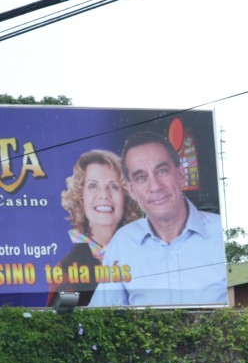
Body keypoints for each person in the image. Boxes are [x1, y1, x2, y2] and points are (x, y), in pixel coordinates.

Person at [89, 131, 227, 307]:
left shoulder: (222, 233)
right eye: (141, 177)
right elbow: (103, 317)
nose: (155, 186)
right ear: (131, 190)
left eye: (161, 171)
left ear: (181, 175)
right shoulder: (122, 244)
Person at [46, 150, 142, 307]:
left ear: (125, 195)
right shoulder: (67, 269)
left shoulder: (147, 248)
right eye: (93, 186)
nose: (104, 195)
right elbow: (62, 322)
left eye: (113, 186)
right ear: (80, 196)